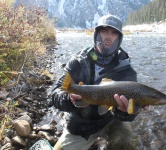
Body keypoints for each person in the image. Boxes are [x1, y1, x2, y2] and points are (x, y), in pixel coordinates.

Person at [51, 15, 148, 150]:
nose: (108, 36)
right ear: (97, 34)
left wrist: (126, 112)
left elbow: (130, 115)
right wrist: (69, 99)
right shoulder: (79, 61)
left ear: (119, 38)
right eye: (104, 31)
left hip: (111, 121)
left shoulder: (125, 69)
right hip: (81, 125)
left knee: (127, 142)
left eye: (114, 33)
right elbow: (54, 94)